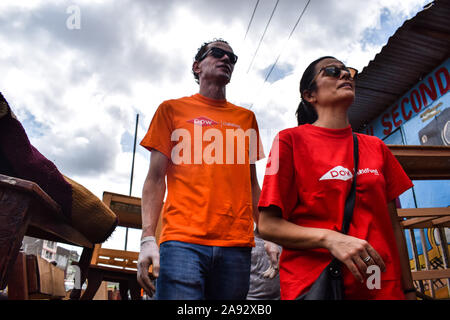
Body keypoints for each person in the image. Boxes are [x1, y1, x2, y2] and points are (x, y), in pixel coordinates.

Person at [257, 56, 416, 300]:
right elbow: (267, 225)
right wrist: (330, 238)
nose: (344, 75)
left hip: (380, 286)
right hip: (316, 286)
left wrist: (408, 288)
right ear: (310, 95)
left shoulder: (376, 147)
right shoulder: (289, 141)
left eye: (347, 71)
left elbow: (393, 225)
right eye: (332, 71)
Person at [137, 39, 279, 300]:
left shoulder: (246, 119)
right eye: (217, 53)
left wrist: (268, 235)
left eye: (232, 58)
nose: (226, 59)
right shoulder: (171, 110)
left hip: (237, 246)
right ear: (197, 66)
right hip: (182, 242)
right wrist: (147, 238)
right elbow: (155, 180)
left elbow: (251, 184)